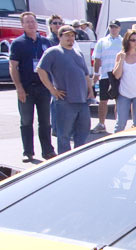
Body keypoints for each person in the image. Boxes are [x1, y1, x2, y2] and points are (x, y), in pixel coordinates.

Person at [37, 25, 93, 154]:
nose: (70, 38)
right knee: (64, 135)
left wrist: (90, 90)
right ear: (59, 36)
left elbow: (85, 74)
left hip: (83, 100)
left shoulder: (78, 53)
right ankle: (65, 161)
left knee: (83, 132)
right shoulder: (53, 52)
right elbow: (41, 70)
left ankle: (78, 159)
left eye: (72, 35)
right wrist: (52, 90)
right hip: (65, 101)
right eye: (67, 35)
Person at [9, 12, 56, 162]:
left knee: (45, 121)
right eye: (27, 22)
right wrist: (19, 88)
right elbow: (13, 67)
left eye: (33, 21)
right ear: (22, 25)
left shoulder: (45, 42)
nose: (31, 24)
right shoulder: (18, 43)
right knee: (26, 121)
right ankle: (28, 152)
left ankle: (48, 151)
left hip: (43, 88)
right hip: (26, 89)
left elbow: (52, 64)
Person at [112, 30, 136, 132]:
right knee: (120, 124)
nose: (135, 42)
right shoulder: (120, 55)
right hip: (124, 93)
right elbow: (117, 75)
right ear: (127, 41)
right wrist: (121, 60)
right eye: (132, 40)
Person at [90, 19, 122, 134]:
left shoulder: (123, 42)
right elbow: (97, 59)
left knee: (118, 100)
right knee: (103, 100)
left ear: (119, 28)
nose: (113, 29)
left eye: (116, 27)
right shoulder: (102, 41)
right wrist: (96, 74)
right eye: (111, 27)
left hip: (117, 75)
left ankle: (119, 125)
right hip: (104, 75)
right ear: (109, 28)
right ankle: (101, 124)